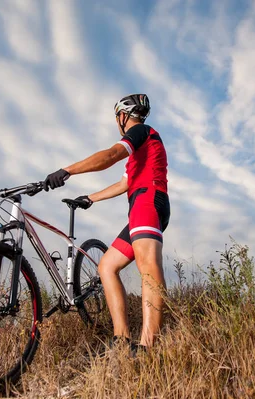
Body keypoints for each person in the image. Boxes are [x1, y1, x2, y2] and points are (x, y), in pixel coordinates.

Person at [44, 94, 170, 350]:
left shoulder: (142, 131)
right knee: (107, 266)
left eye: (117, 119)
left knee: (148, 267)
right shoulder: (140, 152)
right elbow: (124, 183)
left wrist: (67, 170)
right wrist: (90, 198)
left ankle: (148, 347)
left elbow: (111, 155)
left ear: (122, 117)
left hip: (148, 200)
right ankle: (121, 338)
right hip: (139, 203)